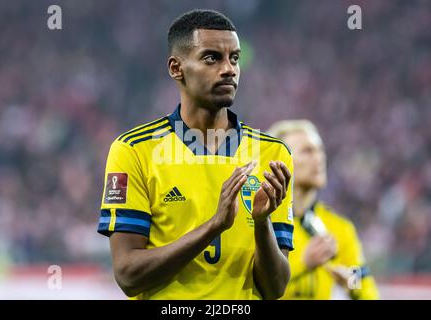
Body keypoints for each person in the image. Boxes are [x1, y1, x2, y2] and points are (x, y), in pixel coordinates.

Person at [96, 9, 295, 300]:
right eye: (212, 58)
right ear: (177, 68)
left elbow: (275, 288)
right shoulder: (134, 150)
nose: (229, 69)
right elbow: (128, 275)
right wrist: (214, 226)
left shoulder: (273, 153)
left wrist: (262, 222)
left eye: (235, 58)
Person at [267, 119, 379, 299]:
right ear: (280, 161)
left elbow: (364, 284)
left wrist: (350, 283)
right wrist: (303, 263)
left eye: (320, 150)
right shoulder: (261, 224)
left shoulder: (338, 228)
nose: (319, 158)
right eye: (307, 151)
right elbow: (249, 289)